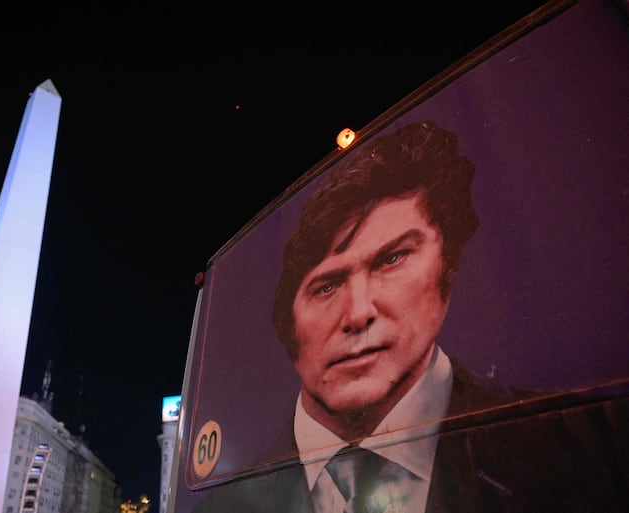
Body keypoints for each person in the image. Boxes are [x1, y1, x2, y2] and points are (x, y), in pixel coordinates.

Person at [190, 121, 627, 513]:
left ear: (447, 267)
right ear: (288, 323)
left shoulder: (589, 448)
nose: (359, 313)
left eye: (392, 259)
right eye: (326, 286)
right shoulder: (223, 505)